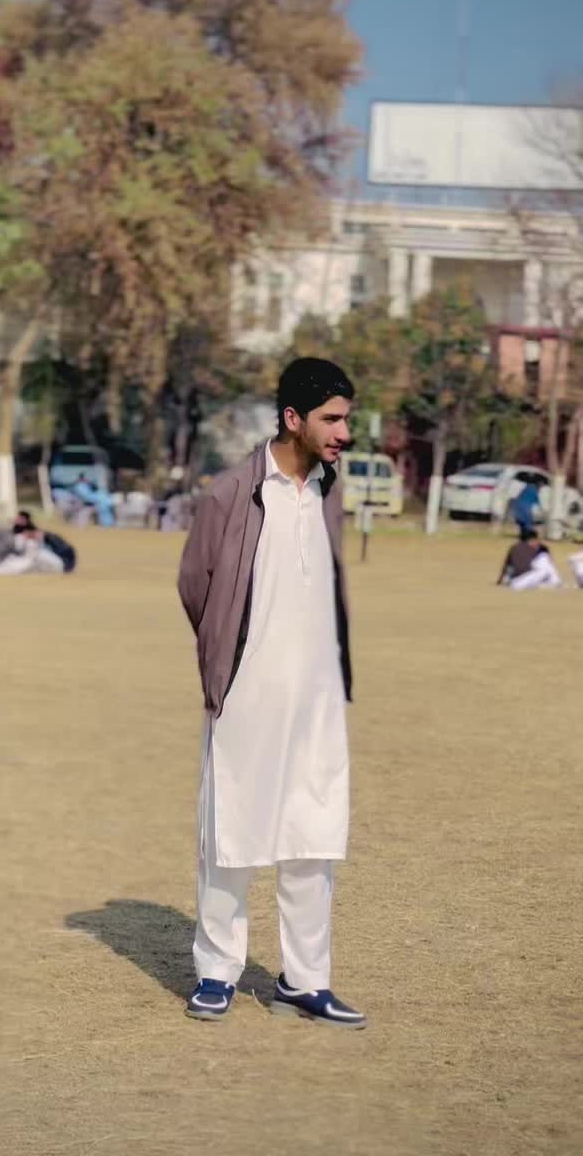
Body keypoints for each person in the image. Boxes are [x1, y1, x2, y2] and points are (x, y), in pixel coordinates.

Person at [177, 357, 366, 1029]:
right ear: (292, 418)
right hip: (247, 694)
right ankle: (216, 972)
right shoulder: (232, 492)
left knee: (314, 839)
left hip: (318, 701)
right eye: (332, 419)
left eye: (346, 419)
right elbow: (195, 585)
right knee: (232, 836)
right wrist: (225, 661)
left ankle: (304, 981)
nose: (344, 432)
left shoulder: (329, 489)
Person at [497, 529, 561, 590]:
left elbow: (506, 566)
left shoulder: (513, 547)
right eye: (536, 540)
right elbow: (546, 563)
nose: (537, 542)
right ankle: (555, 581)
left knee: (542, 564)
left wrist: (500, 580)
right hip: (523, 580)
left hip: (514, 580)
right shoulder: (535, 548)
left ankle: (552, 582)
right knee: (544, 558)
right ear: (532, 540)